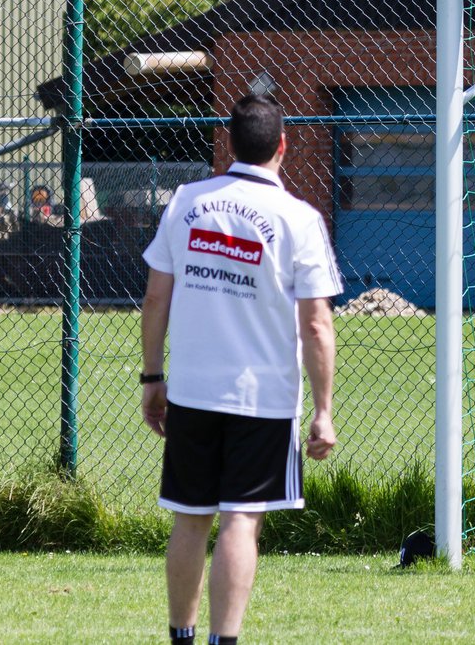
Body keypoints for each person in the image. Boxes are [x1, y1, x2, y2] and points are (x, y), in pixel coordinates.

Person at [140, 94, 343, 645]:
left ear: (230, 143)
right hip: (264, 399)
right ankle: (223, 641)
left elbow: (156, 298)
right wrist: (324, 412)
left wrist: (153, 378)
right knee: (241, 519)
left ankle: (180, 636)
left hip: (192, 391)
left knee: (189, 516)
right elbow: (317, 325)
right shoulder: (299, 219)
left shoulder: (186, 201)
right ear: (283, 146)